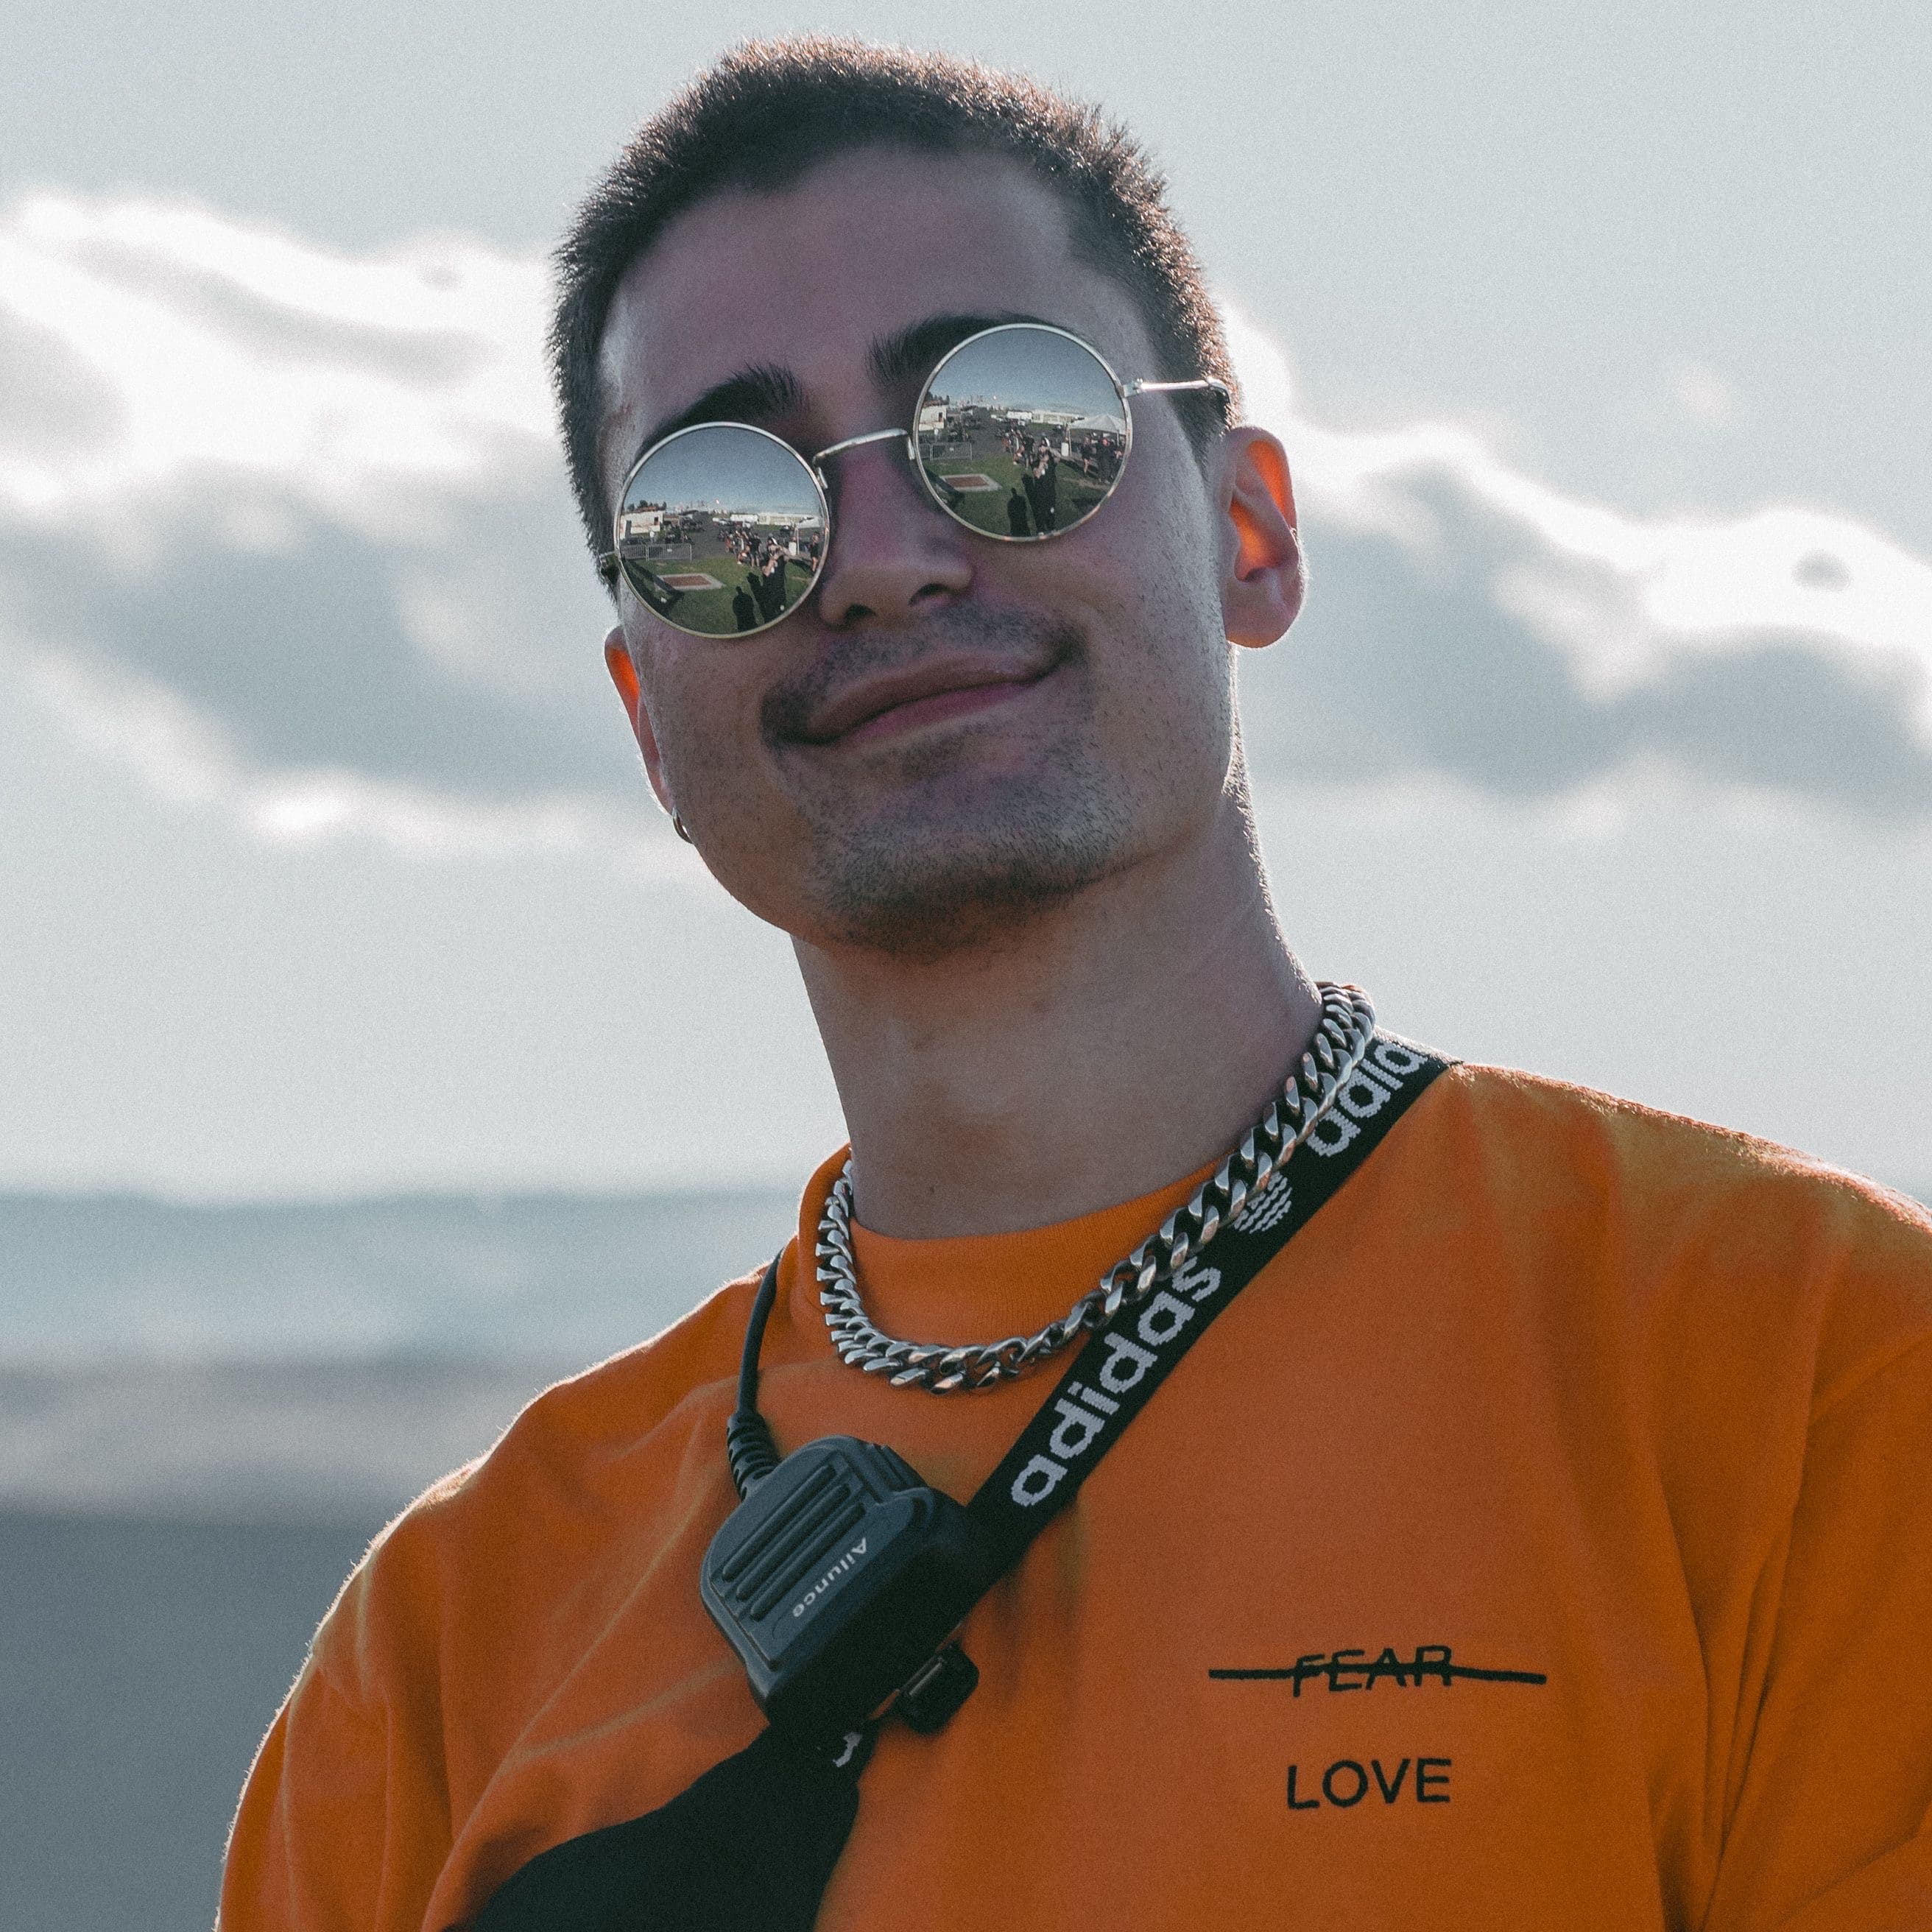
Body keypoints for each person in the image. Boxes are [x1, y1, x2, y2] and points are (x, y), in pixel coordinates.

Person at [220, 36, 1932, 1932]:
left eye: (1009, 422)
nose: (875, 562)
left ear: (1253, 533)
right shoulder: (450, 1643)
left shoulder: (1798, 1374)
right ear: (644, 709)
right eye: (724, 511)